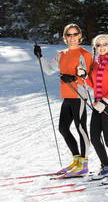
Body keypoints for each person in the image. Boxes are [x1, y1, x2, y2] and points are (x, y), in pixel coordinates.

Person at [34, 23, 92, 177]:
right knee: (63, 129)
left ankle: (84, 165)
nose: (72, 38)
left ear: (80, 36)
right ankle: (77, 160)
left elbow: (87, 75)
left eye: (75, 34)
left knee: (81, 129)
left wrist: (75, 77)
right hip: (67, 95)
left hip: (79, 95)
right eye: (69, 35)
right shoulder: (61, 54)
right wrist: (40, 56)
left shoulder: (84, 54)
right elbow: (48, 70)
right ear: (65, 37)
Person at [78, 34, 108, 183]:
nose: (102, 47)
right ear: (95, 47)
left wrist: (104, 101)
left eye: (105, 44)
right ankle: (106, 167)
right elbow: (92, 84)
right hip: (97, 105)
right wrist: (84, 75)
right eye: (99, 45)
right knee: (95, 138)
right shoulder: (95, 64)